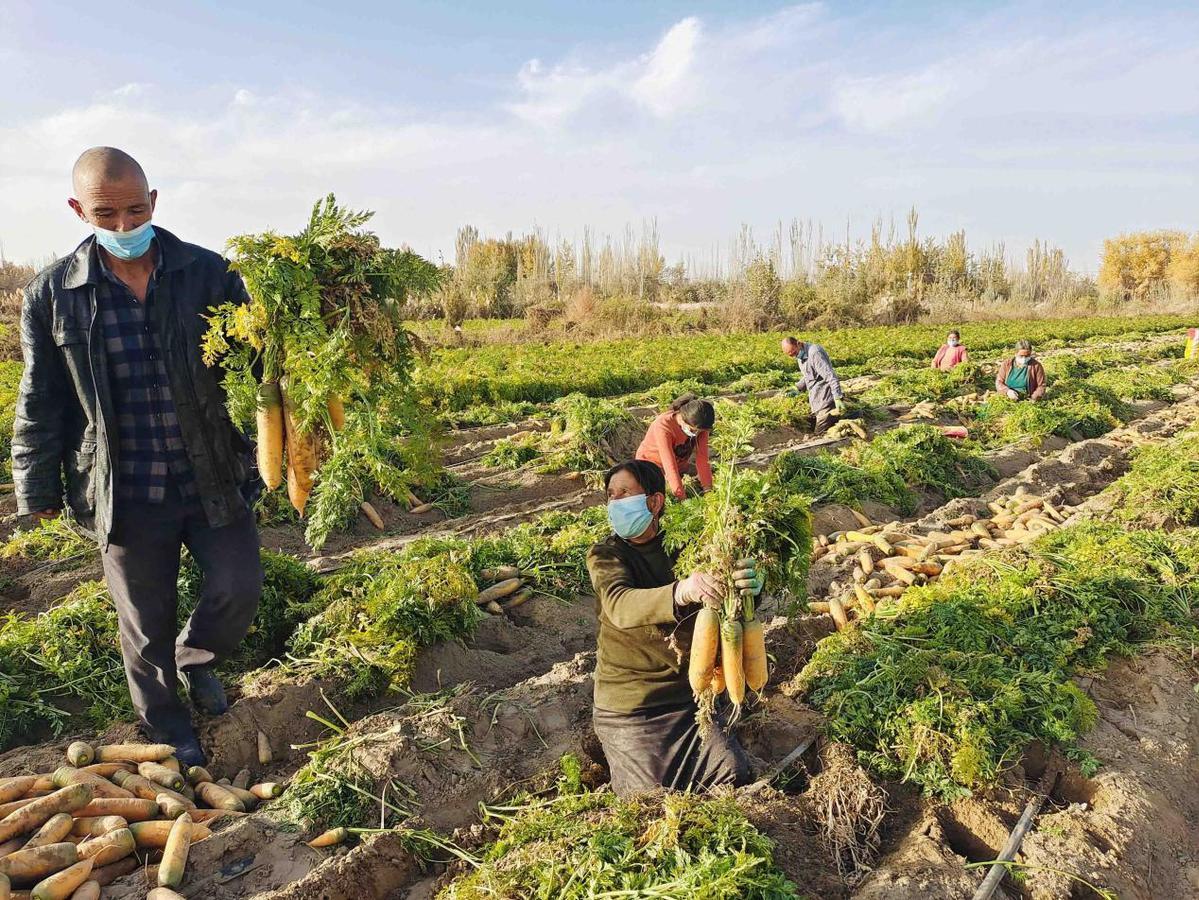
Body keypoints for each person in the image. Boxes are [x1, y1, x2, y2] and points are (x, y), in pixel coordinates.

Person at [12, 147, 263, 766]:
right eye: (106, 213)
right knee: (145, 626)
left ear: (153, 202)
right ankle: (169, 729)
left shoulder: (210, 274)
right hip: (124, 490)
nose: (124, 227)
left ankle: (199, 657)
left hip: (210, 473)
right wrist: (35, 489)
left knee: (240, 586)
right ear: (79, 210)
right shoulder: (53, 295)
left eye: (134, 210)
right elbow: (40, 399)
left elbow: (256, 367)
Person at [587, 460, 761, 796]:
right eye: (611, 495)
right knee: (650, 799)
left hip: (690, 699)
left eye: (625, 493)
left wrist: (749, 586)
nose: (616, 502)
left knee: (733, 773)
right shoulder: (606, 555)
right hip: (633, 707)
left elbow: (726, 598)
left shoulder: (690, 546)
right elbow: (620, 604)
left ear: (654, 502)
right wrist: (680, 591)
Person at [635, 394, 714, 501]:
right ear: (682, 418)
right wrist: (682, 499)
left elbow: (703, 459)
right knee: (661, 493)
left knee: (710, 473)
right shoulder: (663, 426)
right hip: (651, 466)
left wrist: (708, 490)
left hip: (679, 465)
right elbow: (669, 465)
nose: (697, 433)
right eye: (693, 430)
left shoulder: (701, 426)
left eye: (700, 431)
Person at [781, 336, 844, 434]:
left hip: (826, 400)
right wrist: (797, 387)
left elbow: (830, 376)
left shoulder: (815, 353)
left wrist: (837, 397)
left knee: (819, 433)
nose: (794, 356)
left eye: (794, 353)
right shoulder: (800, 356)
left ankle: (853, 415)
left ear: (798, 344)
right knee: (825, 427)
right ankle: (849, 415)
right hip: (817, 400)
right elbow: (809, 375)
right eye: (791, 355)